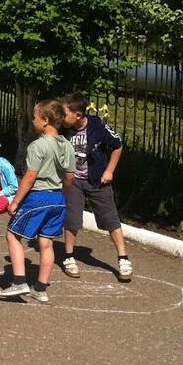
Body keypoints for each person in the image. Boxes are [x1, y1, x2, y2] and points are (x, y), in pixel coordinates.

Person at [0, 99, 76, 303]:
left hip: (38, 196)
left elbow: (30, 177)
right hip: (58, 197)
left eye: (35, 117)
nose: (33, 121)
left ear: (46, 121)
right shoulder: (67, 145)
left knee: (12, 235)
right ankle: (40, 288)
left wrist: (14, 203)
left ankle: (19, 281)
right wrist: (63, 194)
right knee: (46, 243)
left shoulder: (37, 145)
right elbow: (70, 178)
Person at [59, 93, 132, 282]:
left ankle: (123, 259)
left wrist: (109, 171)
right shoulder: (63, 129)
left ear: (78, 114)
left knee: (110, 219)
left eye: (64, 113)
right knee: (72, 218)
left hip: (97, 180)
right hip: (74, 181)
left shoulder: (98, 127)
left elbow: (117, 145)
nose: (61, 116)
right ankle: (68, 257)